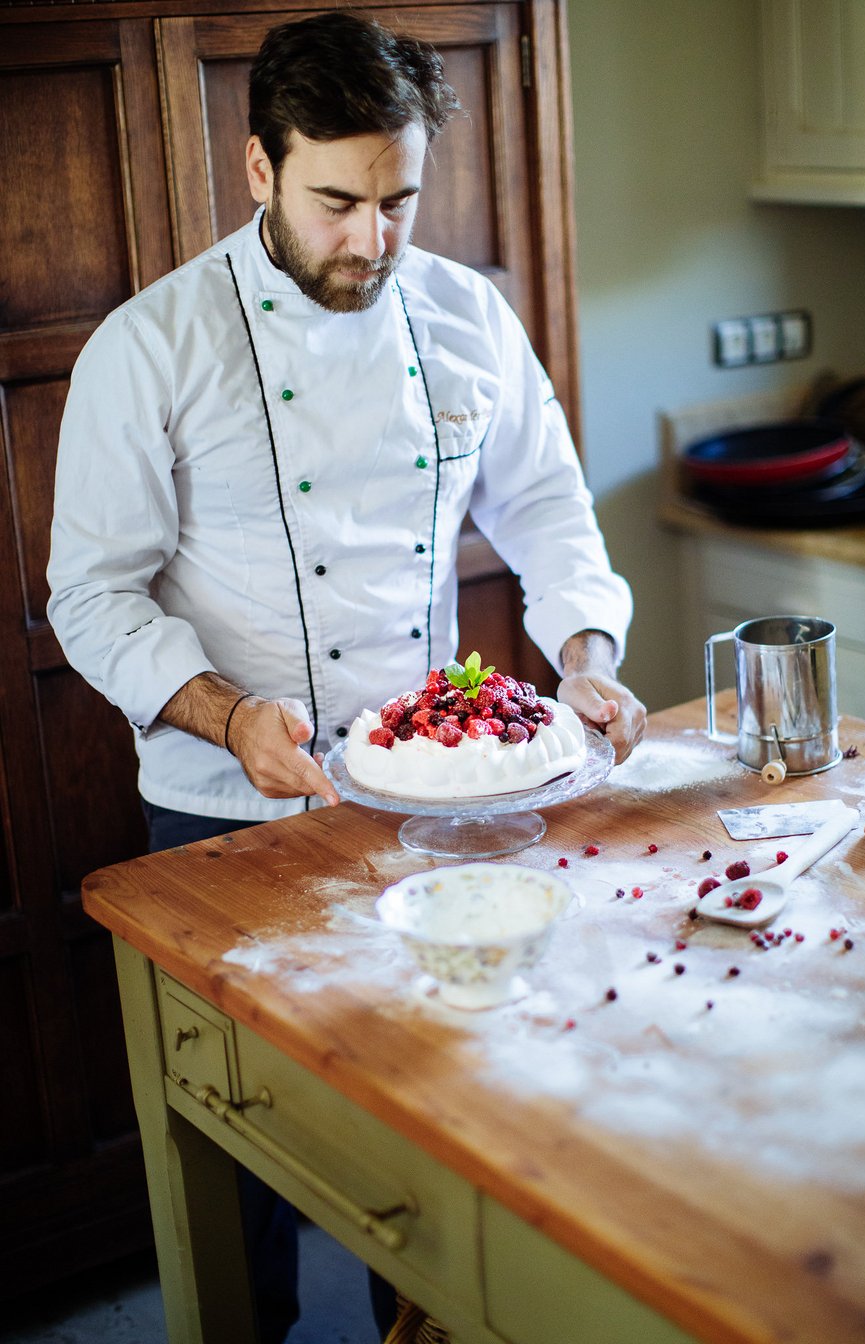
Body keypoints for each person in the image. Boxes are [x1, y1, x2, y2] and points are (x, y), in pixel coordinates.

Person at [47, 11, 646, 1340]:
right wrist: (232, 711)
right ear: (260, 171)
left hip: (426, 805)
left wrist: (589, 660)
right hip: (225, 820)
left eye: (398, 199)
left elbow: (550, 512)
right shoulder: (151, 348)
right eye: (337, 202)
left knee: (428, 1146)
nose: (372, 240)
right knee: (244, 1165)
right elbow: (90, 597)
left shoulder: (463, 315)